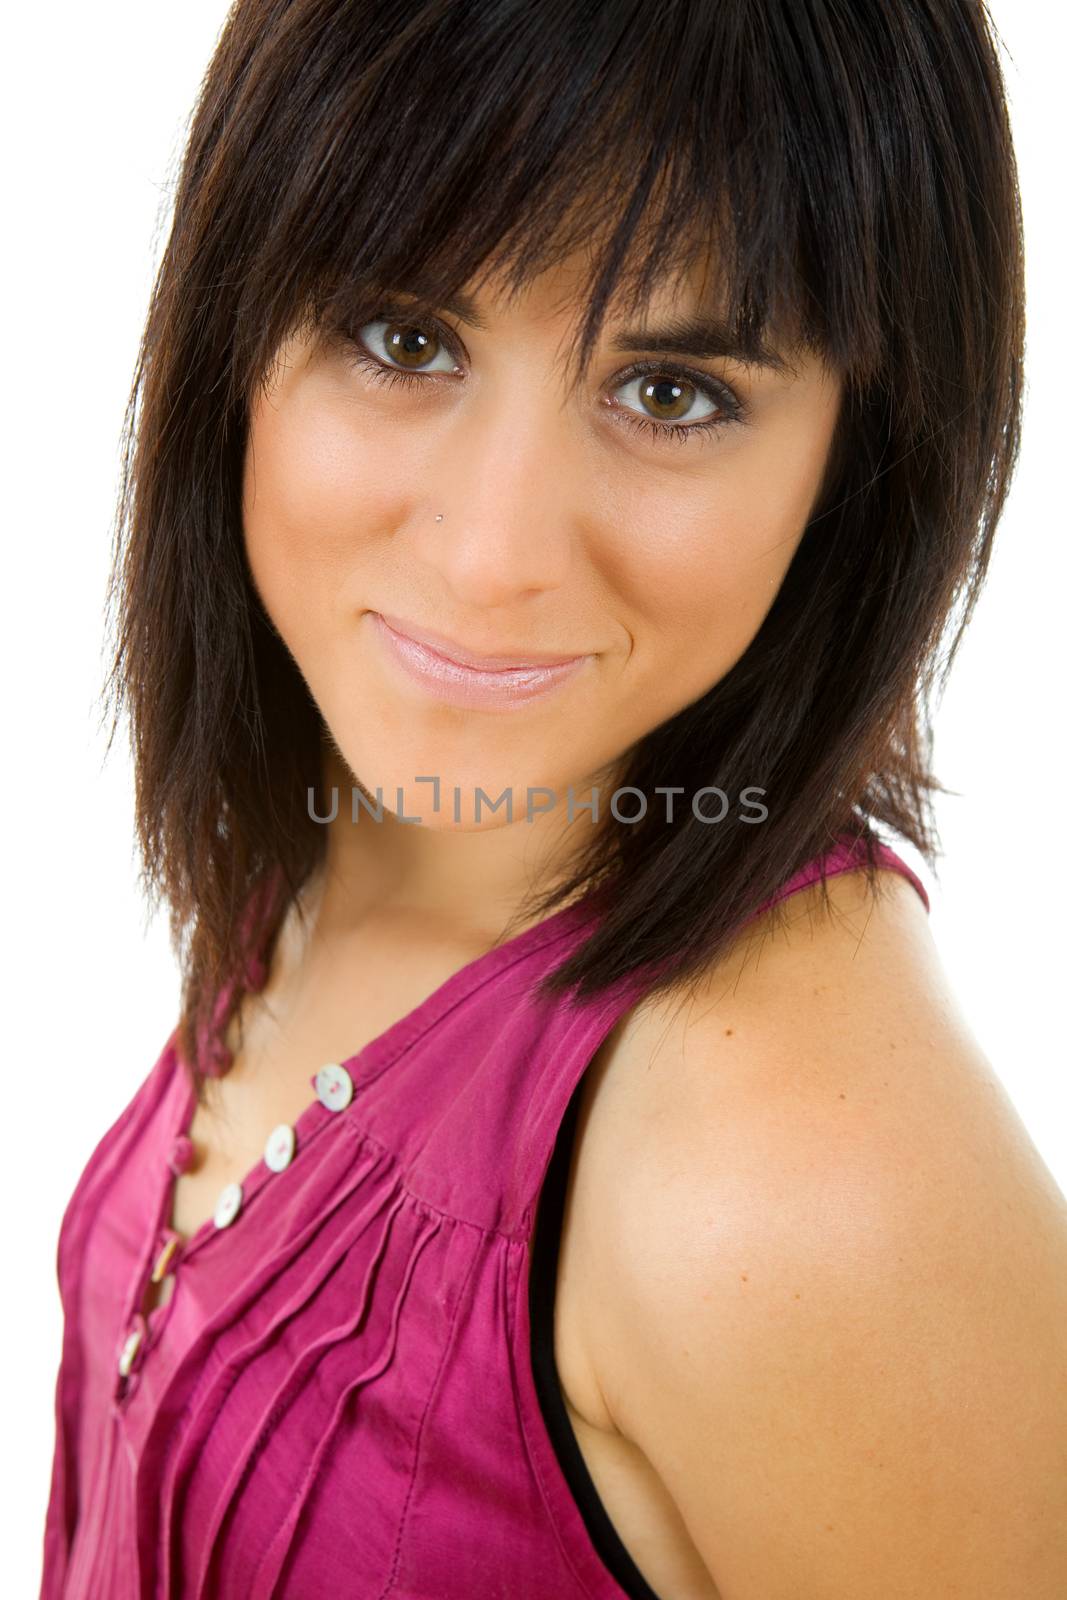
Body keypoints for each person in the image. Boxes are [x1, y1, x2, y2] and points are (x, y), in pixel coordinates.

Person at [41, 1, 1067, 1596]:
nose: (493, 552)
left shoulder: (803, 1184)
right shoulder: (368, 826)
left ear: (861, 459)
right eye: (405, 338)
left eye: (671, 394)